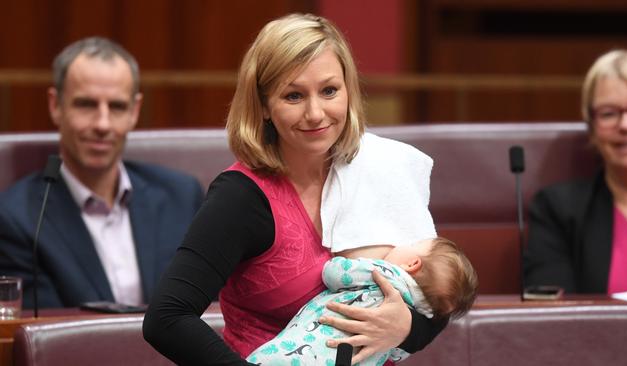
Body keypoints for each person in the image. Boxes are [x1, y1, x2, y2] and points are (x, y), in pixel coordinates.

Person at [143, 13, 450, 366]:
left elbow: (436, 290)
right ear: (263, 107)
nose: (316, 113)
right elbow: (166, 317)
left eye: (330, 91)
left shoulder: (380, 167)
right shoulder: (241, 197)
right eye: (293, 96)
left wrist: (406, 328)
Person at [0, 37, 204, 308]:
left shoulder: (181, 197)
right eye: (86, 104)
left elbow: (209, 305)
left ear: (135, 111)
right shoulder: (18, 219)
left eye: (117, 107)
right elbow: (44, 335)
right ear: (55, 105)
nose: (102, 124)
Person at [524, 49, 627, 295]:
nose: (626, 125)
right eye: (609, 113)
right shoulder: (559, 209)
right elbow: (551, 315)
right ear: (591, 128)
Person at [247, 237, 478, 366]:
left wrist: (346, 260)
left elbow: (335, 273)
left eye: (414, 242)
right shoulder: (416, 314)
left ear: (412, 263)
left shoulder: (385, 274)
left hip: (302, 354)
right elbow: (397, 354)